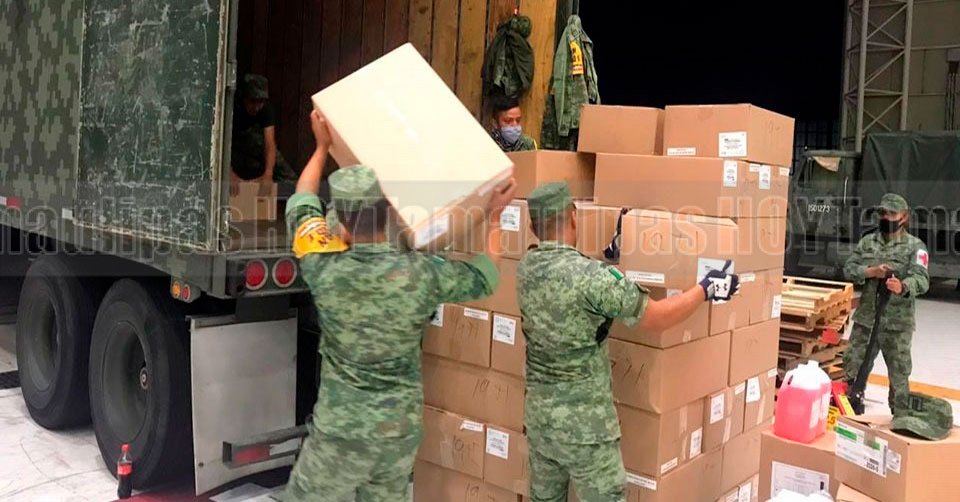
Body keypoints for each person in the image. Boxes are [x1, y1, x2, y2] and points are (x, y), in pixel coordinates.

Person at [283, 110, 518, 501]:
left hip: (341, 434)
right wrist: (494, 219)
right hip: (398, 433)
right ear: (391, 211)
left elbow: (303, 199)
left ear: (342, 224)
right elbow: (486, 276)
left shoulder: (321, 265)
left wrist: (322, 147)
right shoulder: (420, 273)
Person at [516, 182, 740, 502]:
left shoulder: (527, 268)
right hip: (586, 429)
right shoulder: (593, 278)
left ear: (532, 227)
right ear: (574, 217)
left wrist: (612, 255)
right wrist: (705, 288)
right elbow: (657, 318)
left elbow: (572, 278)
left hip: (540, 423)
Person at [843, 193, 929, 414]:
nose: (886, 217)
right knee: (852, 369)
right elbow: (849, 269)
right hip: (867, 320)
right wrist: (871, 271)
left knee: (899, 376)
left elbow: (922, 279)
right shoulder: (868, 242)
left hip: (896, 325)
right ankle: (850, 411)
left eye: (892, 213)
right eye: (882, 213)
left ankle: (899, 418)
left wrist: (903, 286)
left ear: (904, 217)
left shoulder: (915, 247)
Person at [231, 74, 298, 195]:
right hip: (234, 149)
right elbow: (220, 145)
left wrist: (268, 174)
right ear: (244, 97)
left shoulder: (266, 110)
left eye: (260, 102)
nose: (257, 107)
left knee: (292, 181)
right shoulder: (232, 108)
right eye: (253, 101)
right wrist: (230, 174)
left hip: (256, 147)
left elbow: (270, 144)